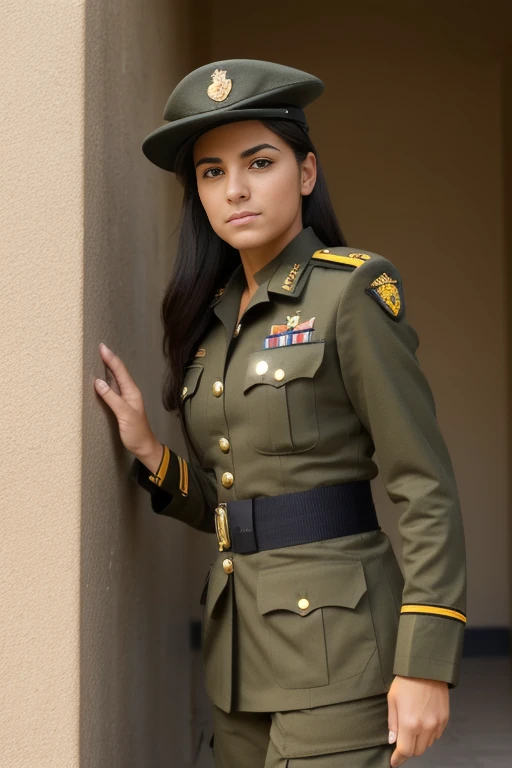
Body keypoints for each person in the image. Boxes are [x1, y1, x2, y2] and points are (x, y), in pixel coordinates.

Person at [93, 59, 467, 767]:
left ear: (305, 173)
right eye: (210, 173)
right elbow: (235, 503)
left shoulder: (351, 294)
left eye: (258, 162)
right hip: (240, 663)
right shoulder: (208, 328)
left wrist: (426, 662)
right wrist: (150, 452)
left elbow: (425, 488)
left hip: (339, 655)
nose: (233, 189)